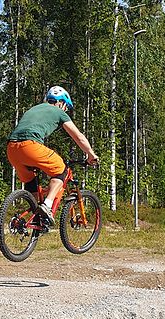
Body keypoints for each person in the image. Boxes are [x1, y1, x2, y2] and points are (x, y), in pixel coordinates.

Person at [7, 86, 99, 226]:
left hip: (12, 149)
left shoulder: (34, 108)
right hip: (30, 146)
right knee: (61, 170)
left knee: (31, 182)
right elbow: (78, 137)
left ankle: (35, 219)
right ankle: (47, 205)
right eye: (65, 106)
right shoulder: (58, 111)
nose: (65, 109)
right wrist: (91, 154)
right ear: (61, 102)